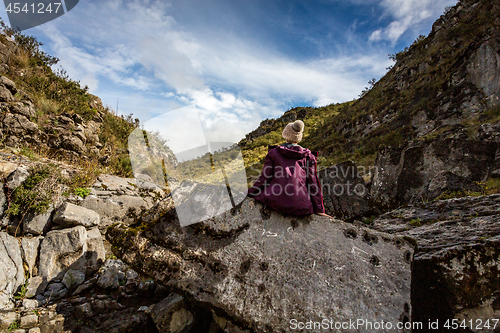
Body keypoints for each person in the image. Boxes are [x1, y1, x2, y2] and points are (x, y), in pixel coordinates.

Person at [248, 120, 333, 219]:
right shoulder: (308, 156)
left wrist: (248, 193)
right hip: (301, 205)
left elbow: (264, 179)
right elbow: (313, 183)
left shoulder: (274, 153)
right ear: (298, 137)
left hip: (275, 200)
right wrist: (319, 210)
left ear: (285, 134)